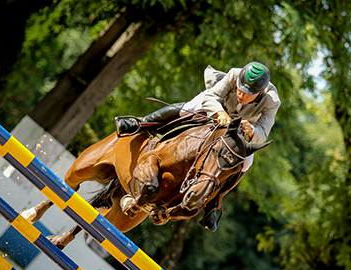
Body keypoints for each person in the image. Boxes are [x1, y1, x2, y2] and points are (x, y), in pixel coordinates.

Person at [115, 62, 281, 230]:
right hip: (217, 106)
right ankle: (139, 123)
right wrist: (220, 112)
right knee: (187, 109)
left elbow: (263, 132)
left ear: (260, 92)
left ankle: (213, 203)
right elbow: (211, 97)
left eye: (248, 94)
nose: (241, 95)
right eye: (240, 89)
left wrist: (251, 130)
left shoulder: (272, 100)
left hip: (240, 130)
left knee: (246, 163)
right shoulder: (234, 75)